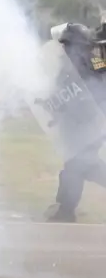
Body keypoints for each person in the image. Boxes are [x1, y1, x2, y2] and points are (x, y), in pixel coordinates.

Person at [46, 23, 106, 222]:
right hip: (77, 126)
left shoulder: (94, 62)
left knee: (76, 165)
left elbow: (100, 88)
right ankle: (66, 209)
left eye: (66, 44)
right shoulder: (68, 66)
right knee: (85, 165)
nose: (63, 48)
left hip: (91, 124)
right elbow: (63, 93)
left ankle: (66, 211)